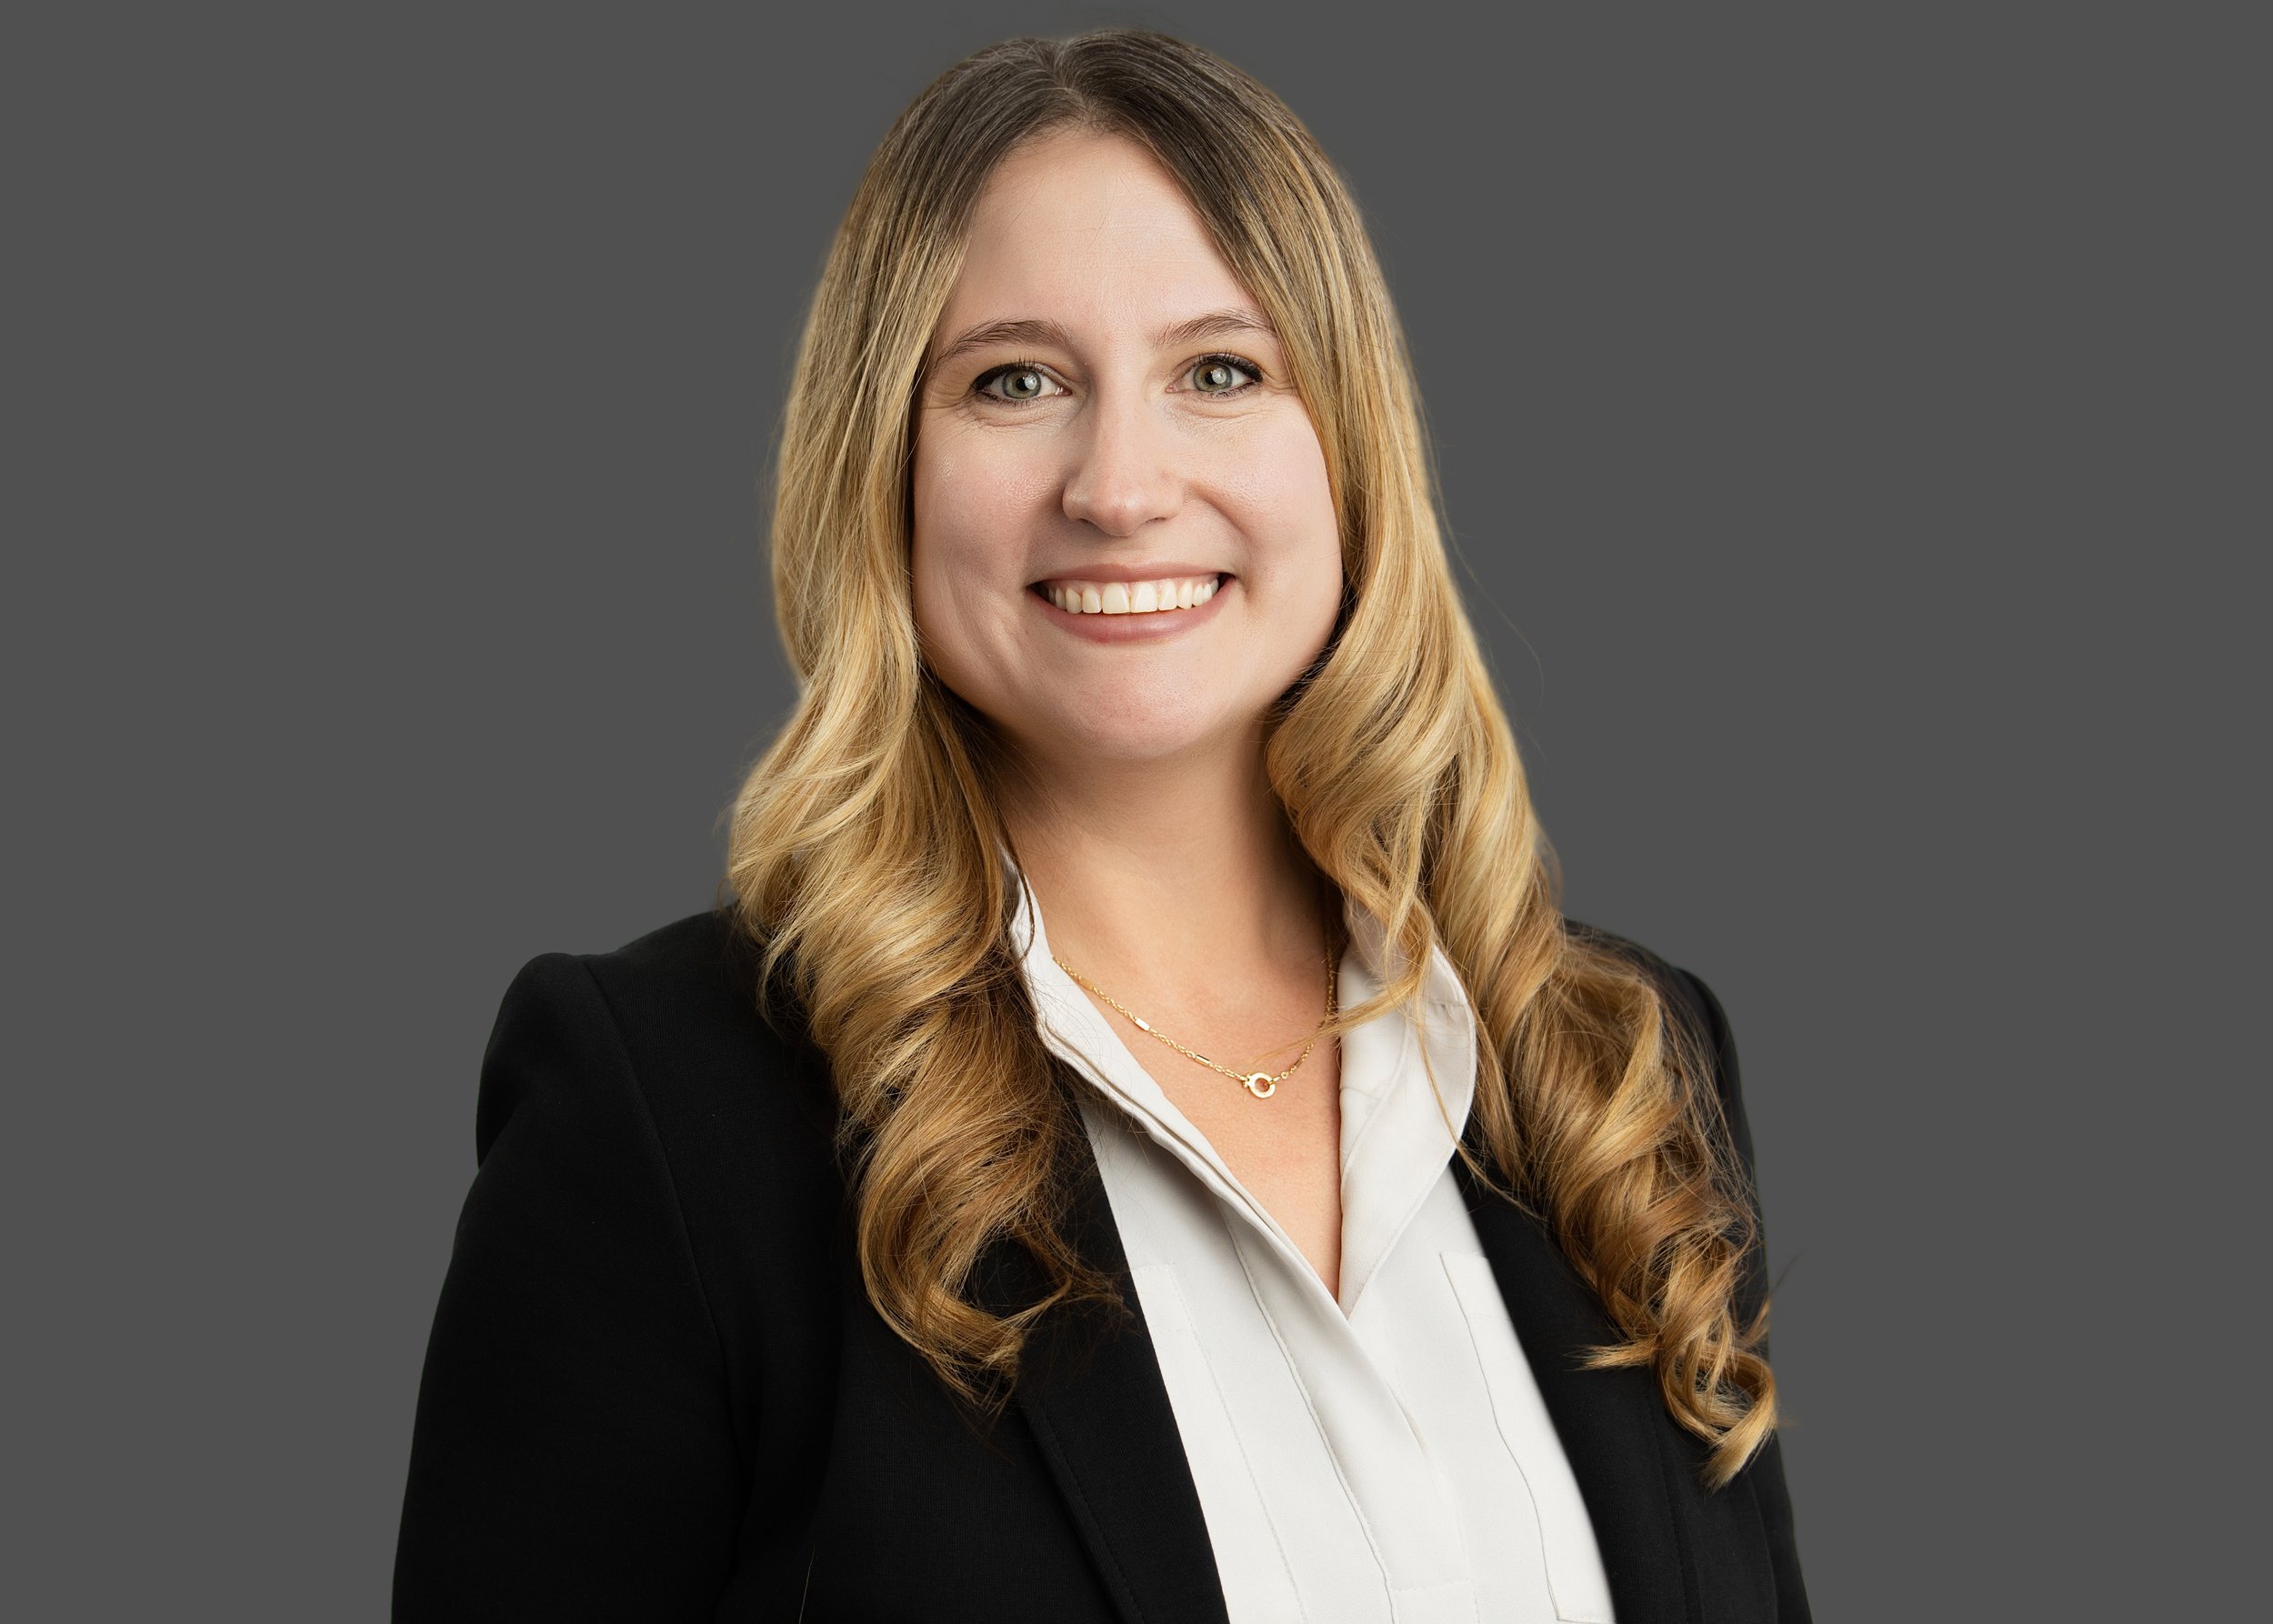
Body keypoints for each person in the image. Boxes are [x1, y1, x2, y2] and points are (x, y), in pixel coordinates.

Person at [393, 28, 1810, 1623]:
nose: (1122, 485)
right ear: (888, 467)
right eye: (1015, 381)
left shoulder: (1617, 1074)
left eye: (1222, 370)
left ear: (1347, 452)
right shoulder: (666, 1119)